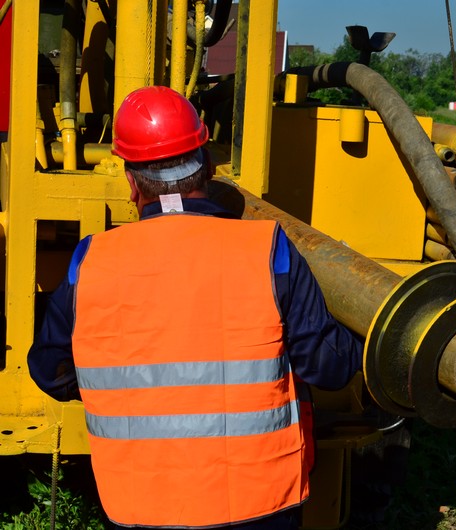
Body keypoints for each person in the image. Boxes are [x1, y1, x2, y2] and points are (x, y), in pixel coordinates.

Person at [28, 86, 364, 529]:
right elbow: (328, 367)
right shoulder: (268, 249)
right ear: (207, 165)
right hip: (260, 505)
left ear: (132, 183)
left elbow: (50, 371)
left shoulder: (89, 261)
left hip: (138, 509)